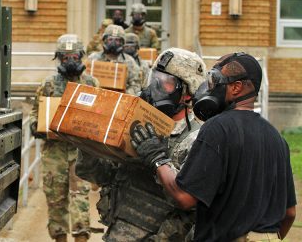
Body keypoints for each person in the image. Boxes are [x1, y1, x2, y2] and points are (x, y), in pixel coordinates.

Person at [132, 52, 297, 241]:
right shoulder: (277, 138)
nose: (209, 87)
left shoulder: (217, 129)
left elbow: (184, 198)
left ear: (236, 87)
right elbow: (289, 213)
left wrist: (156, 156)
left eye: (215, 80)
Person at [76, 48, 207, 241]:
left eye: (166, 82)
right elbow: (99, 175)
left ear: (187, 93)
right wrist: (87, 144)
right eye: (154, 78)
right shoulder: (138, 125)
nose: (156, 86)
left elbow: (191, 208)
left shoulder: (196, 140)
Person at [29, 34, 99, 242]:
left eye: (75, 56)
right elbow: (36, 113)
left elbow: (100, 115)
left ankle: (81, 237)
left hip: (81, 152)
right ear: (58, 58)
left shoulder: (91, 83)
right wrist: (37, 126)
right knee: (55, 198)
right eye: (65, 57)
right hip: (54, 153)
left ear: (82, 57)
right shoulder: (48, 85)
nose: (70, 61)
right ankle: (59, 237)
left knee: (80, 199)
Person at [88, 24, 141, 95]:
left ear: (122, 43)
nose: (113, 43)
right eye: (110, 39)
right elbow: (85, 81)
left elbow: (136, 85)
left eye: (117, 40)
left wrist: (124, 94)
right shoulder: (93, 58)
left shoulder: (129, 61)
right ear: (104, 41)